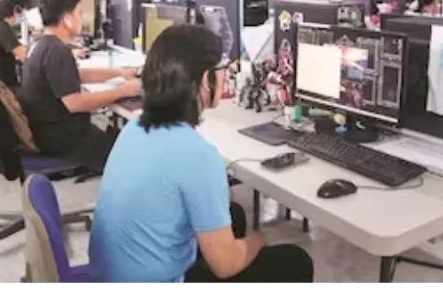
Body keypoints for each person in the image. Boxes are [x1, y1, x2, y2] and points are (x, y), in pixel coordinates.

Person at [88, 24, 314, 283]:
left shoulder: (135, 127)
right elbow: (226, 265)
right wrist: (258, 239)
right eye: (223, 68)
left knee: (233, 215)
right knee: (294, 261)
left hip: (111, 276)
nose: (226, 75)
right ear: (206, 80)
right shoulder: (197, 155)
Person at [20, 0, 140, 172]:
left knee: (118, 137)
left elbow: (77, 74)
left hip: (46, 130)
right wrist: (123, 91)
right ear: (67, 19)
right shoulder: (56, 51)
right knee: (131, 157)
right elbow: (75, 103)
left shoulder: (42, 43)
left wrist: (120, 72)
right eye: (79, 13)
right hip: (62, 137)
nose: (81, 19)